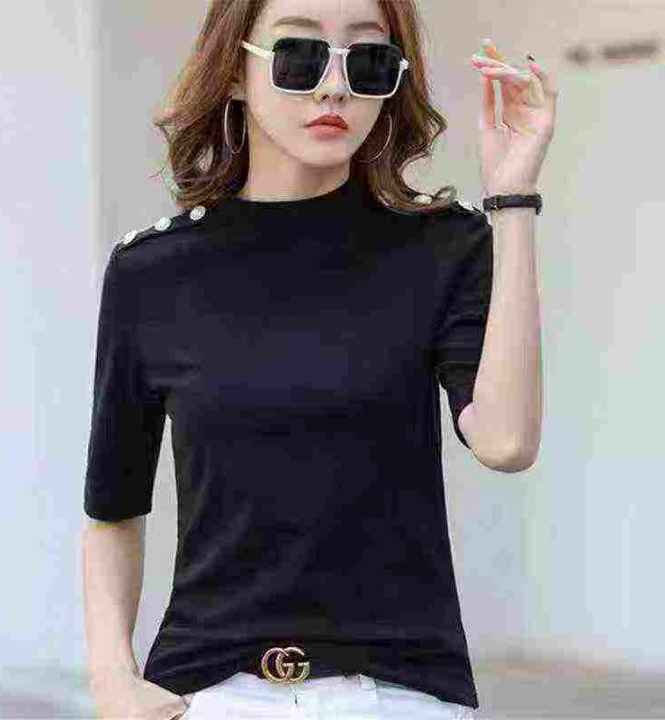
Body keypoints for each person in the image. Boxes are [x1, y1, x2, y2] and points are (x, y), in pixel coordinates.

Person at [82, 0, 556, 717]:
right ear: (235, 71)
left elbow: (507, 440)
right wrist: (112, 678)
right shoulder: (151, 271)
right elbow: (113, 503)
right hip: (209, 695)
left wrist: (512, 200)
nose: (334, 87)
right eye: (300, 56)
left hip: (399, 694)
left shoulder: (443, 247)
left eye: (367, 62)